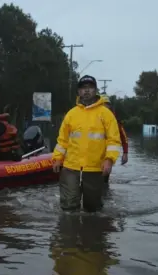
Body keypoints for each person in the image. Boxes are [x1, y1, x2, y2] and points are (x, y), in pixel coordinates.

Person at [52, 75, 122, 212]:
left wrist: (109, 160)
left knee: (93, 209)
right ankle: (69, 231)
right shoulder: (71, 114)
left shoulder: (106, 114)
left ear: (96, 90)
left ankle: (92, 231)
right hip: (71, 167)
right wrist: (57, 158)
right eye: (83, 88)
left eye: (90, 87)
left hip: (95, 168)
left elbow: (113, 140)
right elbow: (62, 140)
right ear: (78, 92)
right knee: (68, 206)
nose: (86, 91)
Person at [101, 95, 129, 185]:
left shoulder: (115, 121)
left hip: (108, 155)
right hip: (92, 154)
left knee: (104, 180)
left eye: (106, 104)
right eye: (102, 104)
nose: (105, 107)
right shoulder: (92, 118)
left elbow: (124, 138)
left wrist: (125, 153)